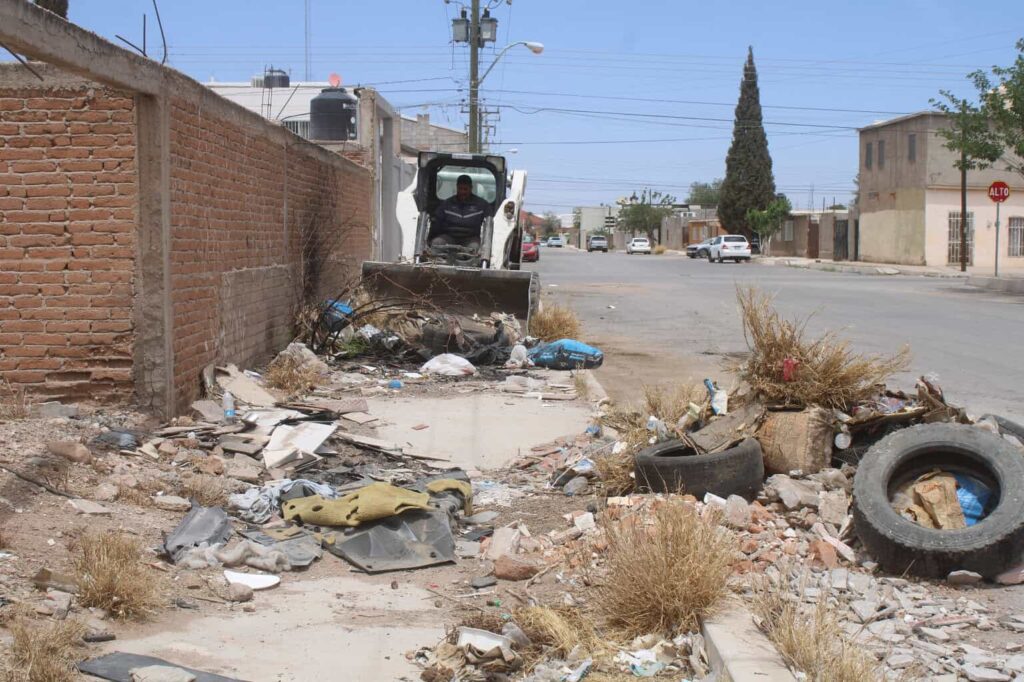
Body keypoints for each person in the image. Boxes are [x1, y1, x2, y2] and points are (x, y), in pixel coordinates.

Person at [430, 174, 490, 250]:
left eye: (465, 189)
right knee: (436, 243)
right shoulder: (446, 204)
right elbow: (436, 223)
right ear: (457, 188)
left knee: (475, 247)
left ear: (471, 188)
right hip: (449, 237)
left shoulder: (482, 205)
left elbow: (489, 224)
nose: (462, 192)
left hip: (471, 238)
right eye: (460, 188)